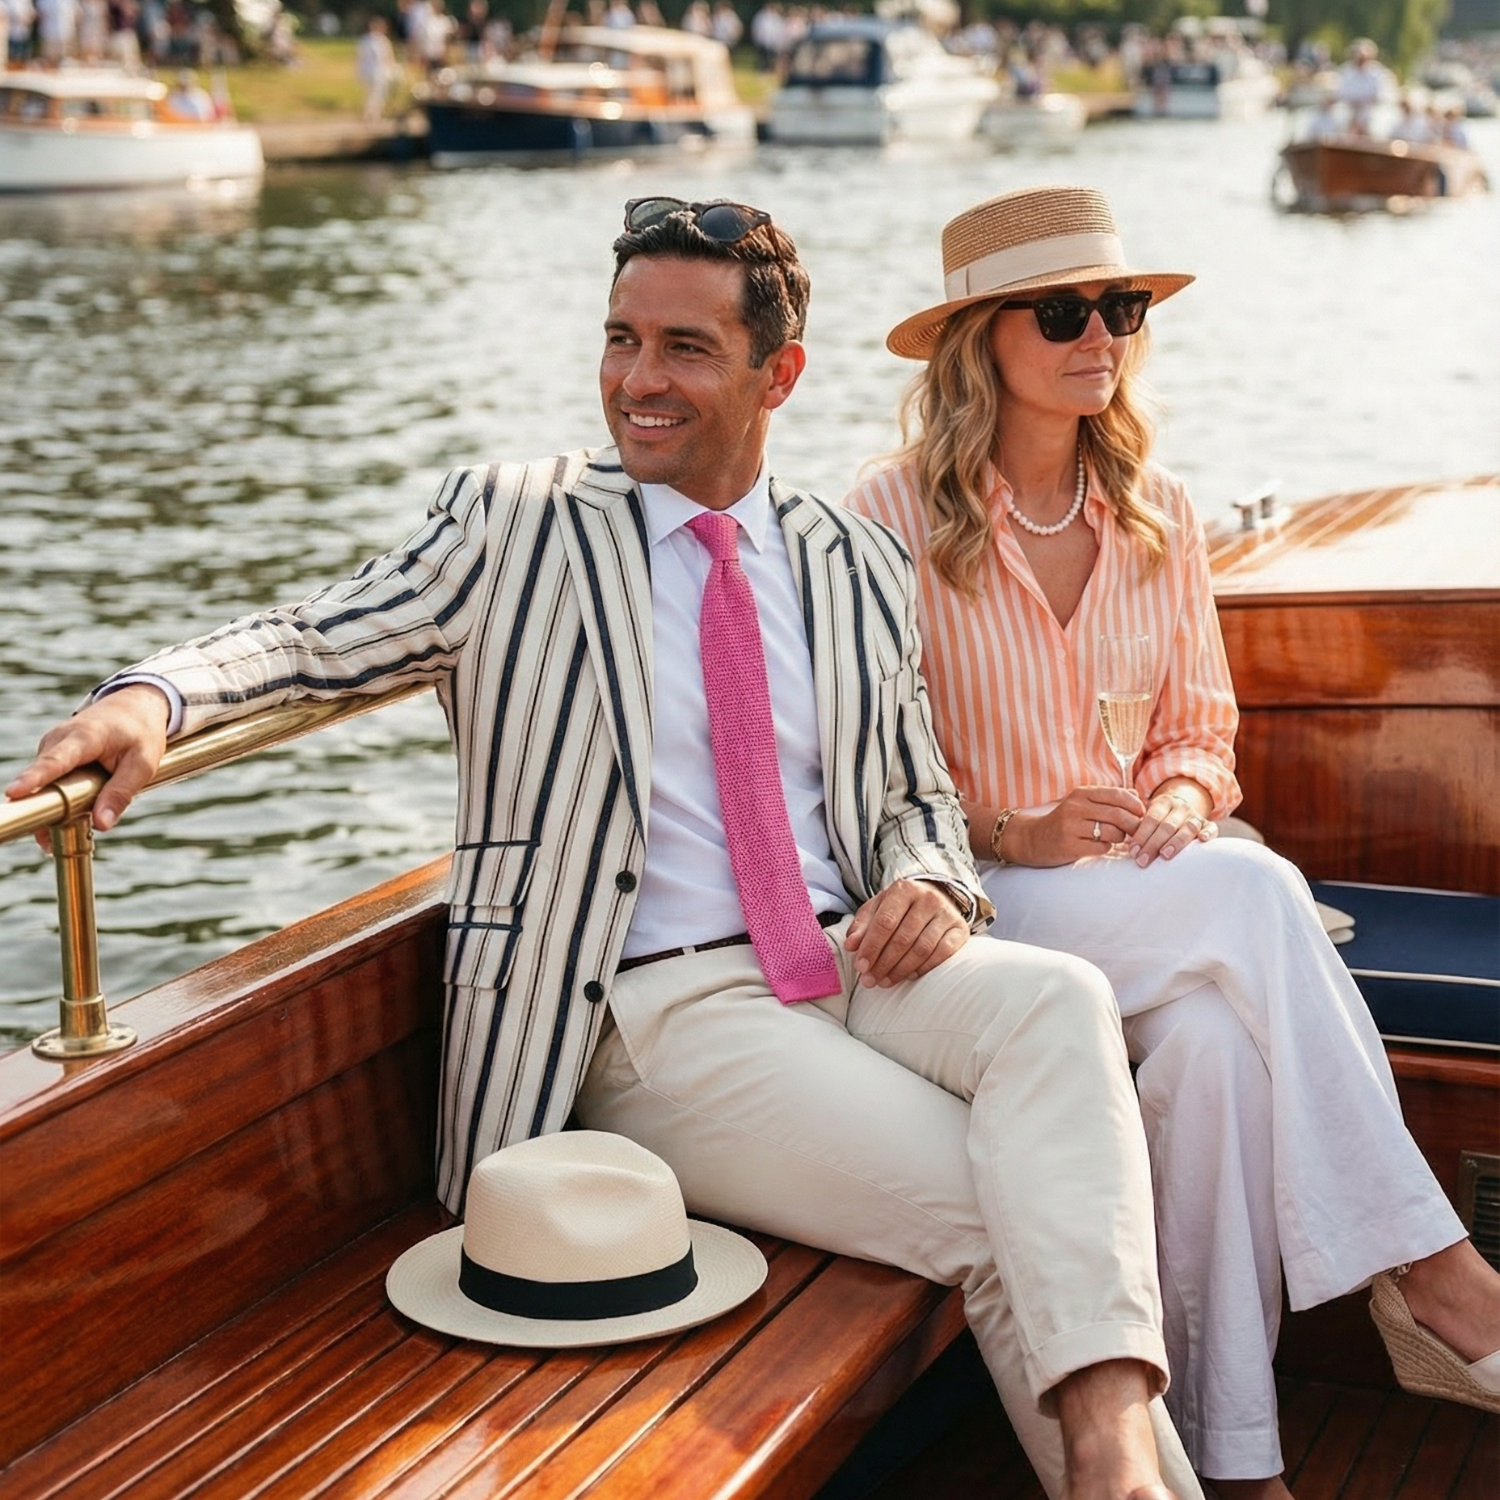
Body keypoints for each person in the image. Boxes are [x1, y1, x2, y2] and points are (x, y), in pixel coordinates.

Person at [7, 197, 1202, 1500]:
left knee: (1061, 1005)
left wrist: (927, 878)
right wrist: (150, 699)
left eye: (685, 348)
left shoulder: (852, 556)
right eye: (620, 339)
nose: (638, 380)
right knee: (1009, 1212)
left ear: (777, 374)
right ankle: (1124, 1474)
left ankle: (1112, 1461)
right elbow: (311, 637)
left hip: (849, 956)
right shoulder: (512, 522)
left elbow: (914, 793)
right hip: (651, 1009)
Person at [845, 185, 1500, 1500]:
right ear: (981, 337)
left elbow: (1201, 731)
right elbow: (860, 781)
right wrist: (1013, 824)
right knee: (1257, 895)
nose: (1104, 333)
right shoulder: (887, 520)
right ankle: (1438, 1275)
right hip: (980, 910)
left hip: (1146, 896)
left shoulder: (1158, 511)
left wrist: (1187, 806)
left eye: (1123, 306)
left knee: (1208, 1045)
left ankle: (1235, 1464)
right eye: (1066, 309)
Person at [356, 16, 398, 123]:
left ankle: (369, 114)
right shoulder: (381, 40)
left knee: (370, 94)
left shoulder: (364, 40)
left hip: (367, 71)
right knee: (377, 94)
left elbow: (359, 57)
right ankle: (374, 115)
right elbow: (387, 57)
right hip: (378, 71)